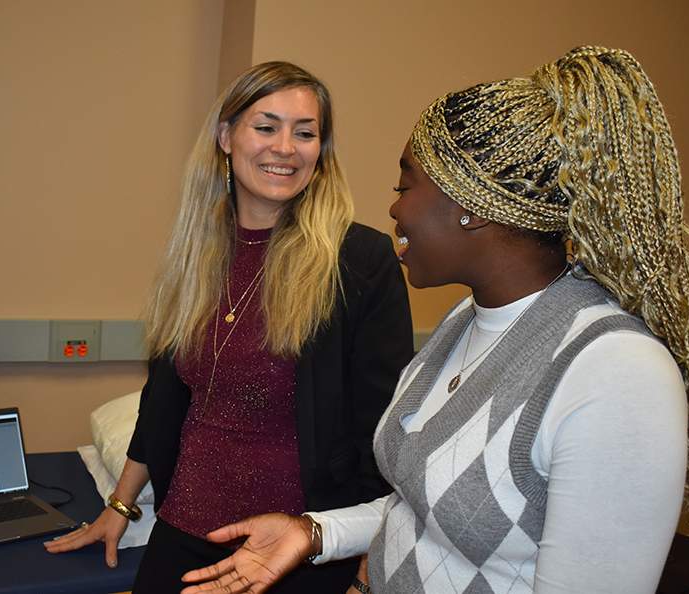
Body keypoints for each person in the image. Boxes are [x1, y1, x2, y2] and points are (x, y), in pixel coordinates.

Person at [178, 46, 689, 594]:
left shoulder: (618, 373)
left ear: (468, 203)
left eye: (405, 185)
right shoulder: (466, 320)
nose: (394, 209)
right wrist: (315, 530)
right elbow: (427, 507)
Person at [44, 61, 415, 593]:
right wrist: (120, 506)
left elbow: (380, 428)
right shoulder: (197, 252)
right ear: (226, 136)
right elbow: (166, 395)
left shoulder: (357, 259)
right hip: (184, 527)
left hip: (296, 548)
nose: (285, 147)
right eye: (266, 126)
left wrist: (360, 558)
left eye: (305, 132)